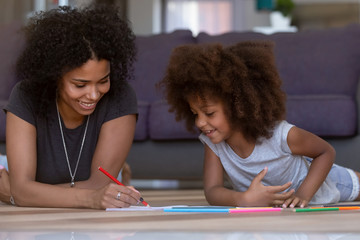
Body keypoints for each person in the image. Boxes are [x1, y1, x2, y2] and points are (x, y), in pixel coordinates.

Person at [159, 41, 360, 208]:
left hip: (325, 180)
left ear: (238, 105)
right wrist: (244, 199)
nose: (200, 122)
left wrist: (303, 194)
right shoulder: (214, 144)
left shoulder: (281, 135)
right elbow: (212, 191)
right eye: (195, 114)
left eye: (209, 113)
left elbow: (325, 152)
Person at [0, 5, 142, 209]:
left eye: (103, 80)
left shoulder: (121, 96)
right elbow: (23, 190)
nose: (93, 95)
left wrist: (18, 193)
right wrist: (21, 191)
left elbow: (99, 185)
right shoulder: (25, 95)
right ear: (55, 77)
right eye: (80, 85)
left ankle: (122, 170)